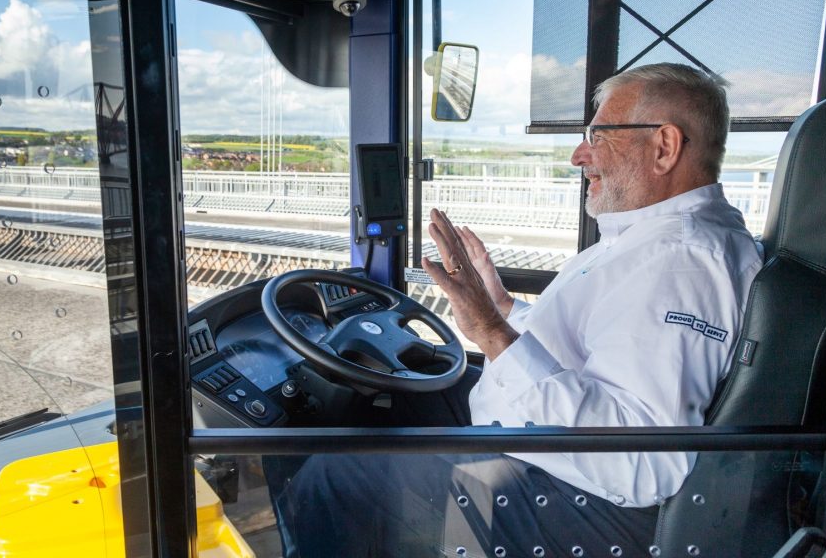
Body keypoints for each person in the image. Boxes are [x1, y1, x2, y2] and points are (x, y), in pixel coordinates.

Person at [269, 63, 764, 557]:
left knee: (335, 473)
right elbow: (584, 346)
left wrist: (490, 332)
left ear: (664, 147)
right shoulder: (651, 243)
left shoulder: (681, 265)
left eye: (599, 136)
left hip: (581, 502)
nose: (579, 156)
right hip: (546, 447)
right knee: (399, 403)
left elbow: (641, 462)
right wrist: (503, 307)